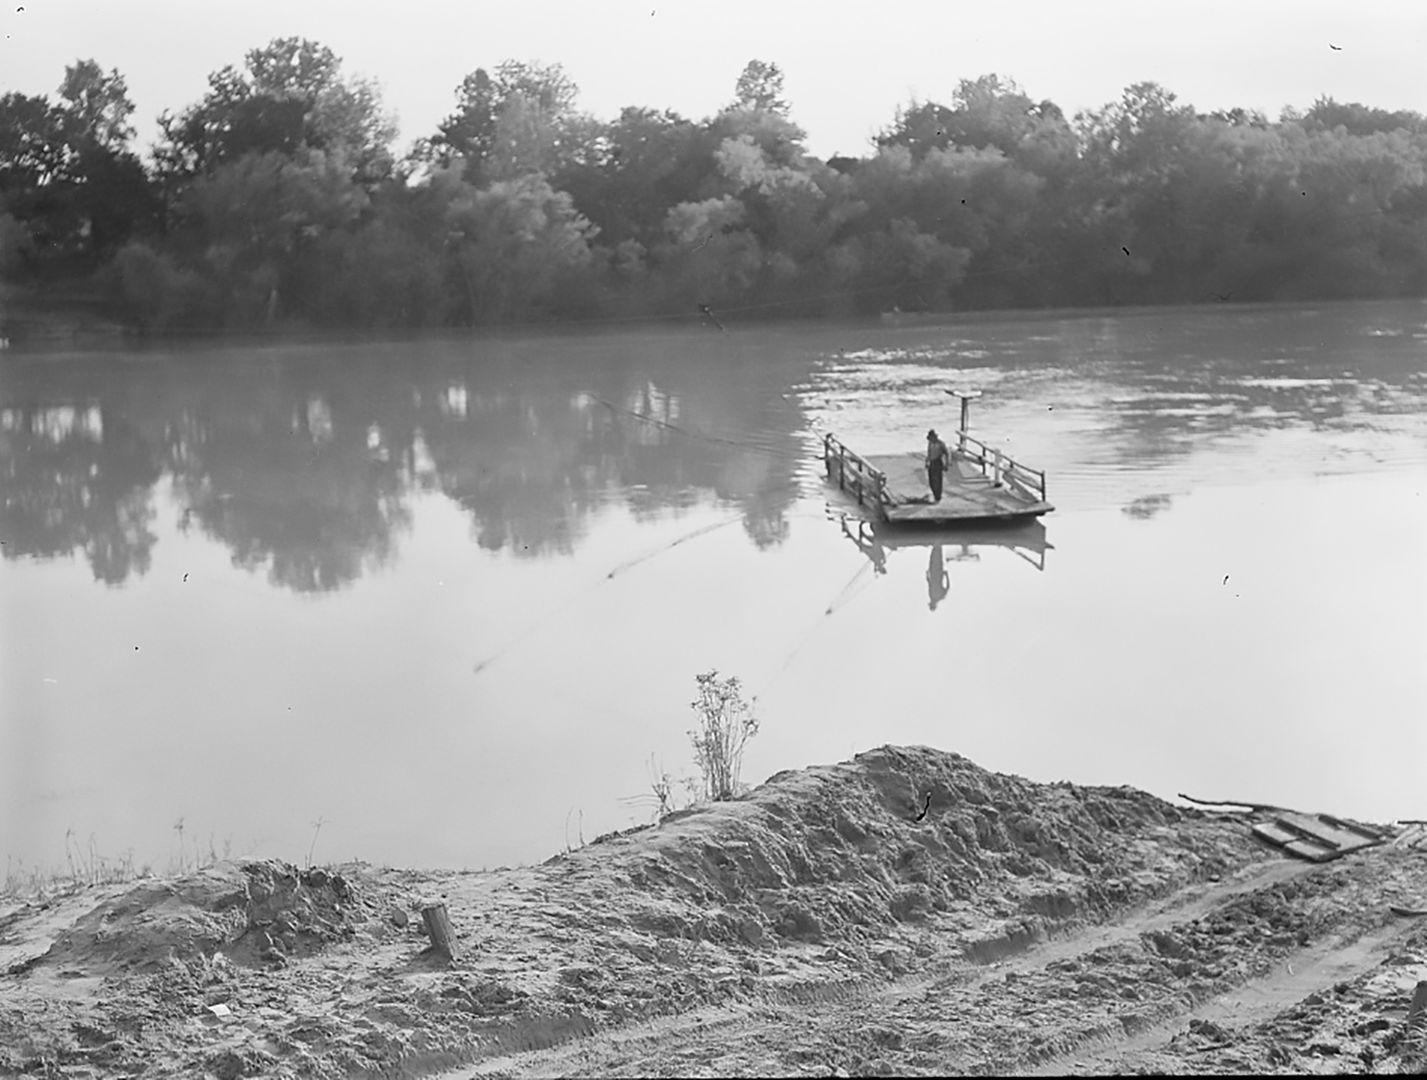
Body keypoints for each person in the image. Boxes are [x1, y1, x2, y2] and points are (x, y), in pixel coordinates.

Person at [925, 429, 949, 501]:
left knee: (938, 480)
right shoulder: (930, 444)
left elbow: (946, 453)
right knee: (931, 480)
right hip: (932, 462)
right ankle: (935, 493)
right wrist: (927, 462)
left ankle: (938, 496)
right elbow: (929, 453)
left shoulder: (941, 444)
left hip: (938, 461)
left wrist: (946, 464)